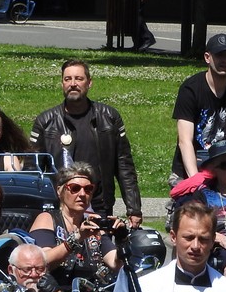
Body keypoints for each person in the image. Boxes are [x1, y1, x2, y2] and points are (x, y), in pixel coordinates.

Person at [30, 59, 142, 225]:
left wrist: (133, 208)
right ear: (62, 83)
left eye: (79, 79)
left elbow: (124, 165)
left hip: (98, 205)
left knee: (99, 250)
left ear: (89, 83)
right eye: (67, 79)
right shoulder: (45, 122)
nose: (73, 84)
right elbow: (33, 169)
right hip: (60, 207)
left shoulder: (109, 118)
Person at [171, 32, 226, 184]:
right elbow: (184, 141)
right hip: (190, 166)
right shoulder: (190, 89)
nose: (225, 60)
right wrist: (195, 181)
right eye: (219, 55)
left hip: (225, 166)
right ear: (207, 57)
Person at [166, 138, 226, 285]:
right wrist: (215, 236)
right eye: (225, 165)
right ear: (213, 168)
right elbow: (192, 222)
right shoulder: (204, 194)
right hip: (214, 245)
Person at [29, 163, 121, 292]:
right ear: (60, 191)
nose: (82, 194)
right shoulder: (47, 218)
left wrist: (122, 240)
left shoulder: (93, 223)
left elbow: (115, 263)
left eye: (88, 189)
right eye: (75, 188)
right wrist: (77, 239)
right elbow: (42, 262)